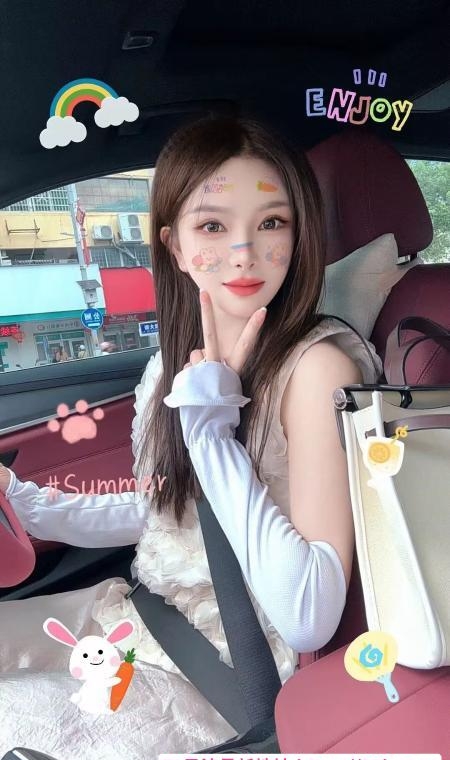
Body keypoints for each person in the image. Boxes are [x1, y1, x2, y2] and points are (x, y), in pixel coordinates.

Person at [0, 116, 382, 760]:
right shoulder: (170, 366)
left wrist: (211, 437)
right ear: (173, 246)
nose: (244, 253)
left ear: (300, 235)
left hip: (226, 669)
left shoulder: (318, 370)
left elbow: (309, 612)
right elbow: (165, 515)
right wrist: (27, 504)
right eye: (212, 226)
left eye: (271, 222)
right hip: (144, 614)